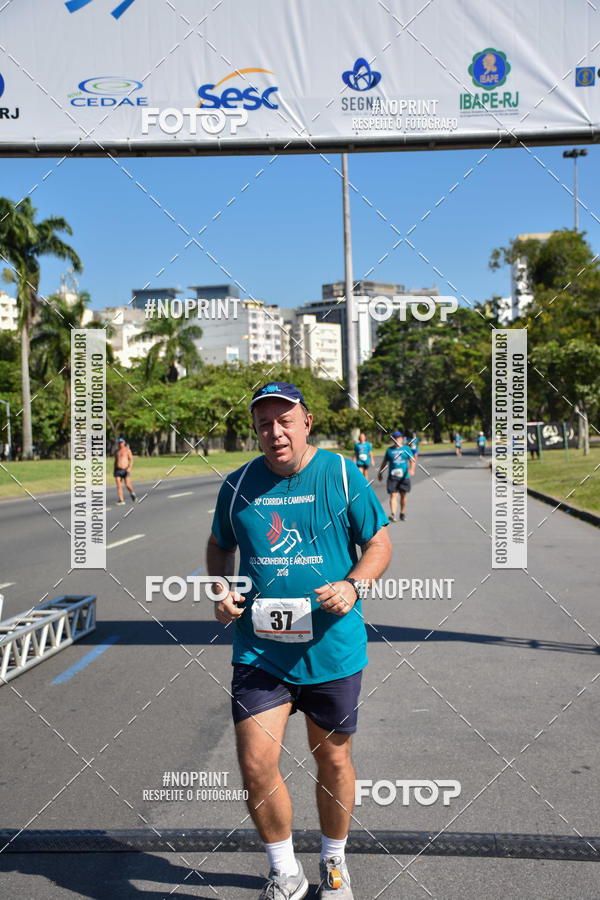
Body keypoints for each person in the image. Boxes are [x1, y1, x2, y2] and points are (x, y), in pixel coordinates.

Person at [207, 381, 391, 900]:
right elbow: (220, 545)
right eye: (265, 422)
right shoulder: (239, 484)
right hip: (261, 649)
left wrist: (354, 586)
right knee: (255, 762)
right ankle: (284, 871)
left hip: (331, 648)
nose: (275, 431)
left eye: (285, 419)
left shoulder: (339, 474)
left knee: (331, 759)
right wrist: (222, 588)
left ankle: (334, 863)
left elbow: (378, 542)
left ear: (306, 422)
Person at [377, 430, 415, 522]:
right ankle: (393, 514)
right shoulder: (389, 450)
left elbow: (412, 460)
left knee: (403, 495)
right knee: (393, 495)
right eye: (395, 438)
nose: (397, 440)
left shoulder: (406, 449)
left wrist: (411, 470)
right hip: (392, 477)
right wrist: (380, 472)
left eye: (399, 438)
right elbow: (384, 462)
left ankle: (402, 513)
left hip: (404, 477)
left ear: (402, 439)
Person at [113, 437, 136, 505]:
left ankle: (132, 493)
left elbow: (131, 460)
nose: (120, 444)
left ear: (124, 443)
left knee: (127, 484)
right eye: (119, 443)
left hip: (125, 469)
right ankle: (121, 500)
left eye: (121, 443)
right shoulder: (116, 451)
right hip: (118, 470)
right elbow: (116, 461)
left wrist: (129, 468)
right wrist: (114, 470)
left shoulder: (127, 450)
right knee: (119, 485)